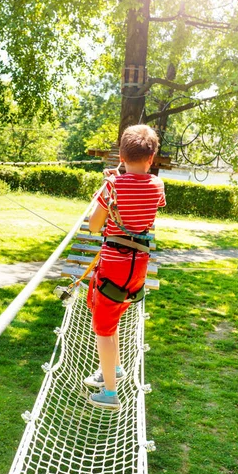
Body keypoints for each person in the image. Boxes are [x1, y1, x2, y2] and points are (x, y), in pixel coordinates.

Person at [84, 124, 166, 411]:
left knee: (103, 330)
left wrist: (106, 189)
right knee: (114, 315)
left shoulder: (112, 186)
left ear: (120, 155)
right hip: (138, 268)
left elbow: (94, 225)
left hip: (114, 266)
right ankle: (114, 368)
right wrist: (117, 180)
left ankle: (109, 393)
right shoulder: (158, 185)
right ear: (152, 158)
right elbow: (140, 193)